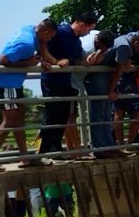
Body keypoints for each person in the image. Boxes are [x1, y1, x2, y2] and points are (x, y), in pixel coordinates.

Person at [0, 19, 59, 170]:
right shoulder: (26, 43)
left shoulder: (31, 29)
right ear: (45, 32)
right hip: (7, 84)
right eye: (50, 36)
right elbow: (2, 60)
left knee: (19, 120)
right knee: (9, 121)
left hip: (15, 83)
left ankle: (25, 158)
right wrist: (30, 62)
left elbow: (41, 44)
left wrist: (42, 60)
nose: (50, 40)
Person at [39, 12, 98, 155]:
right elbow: (42, 45)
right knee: (52, 116)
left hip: (66, 82)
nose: (88, 33)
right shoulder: (61, 32)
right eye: (89, 29)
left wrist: (87, 61)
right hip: (51, 80)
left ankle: (56, 149)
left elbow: (76, 60)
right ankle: (45, 151)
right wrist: (54, 61)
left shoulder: (77, 42)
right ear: (82, 25)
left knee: (63, 116)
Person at [86, 32, 139, 157]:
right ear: (136, 43)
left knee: (106, 114)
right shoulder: (124, 46)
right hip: (99, 78)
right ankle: (99, 148)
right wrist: (111, 90)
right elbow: (120, 70)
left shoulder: (126, 39)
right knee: (99, 113)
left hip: (104, 77)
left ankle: (108, 146)